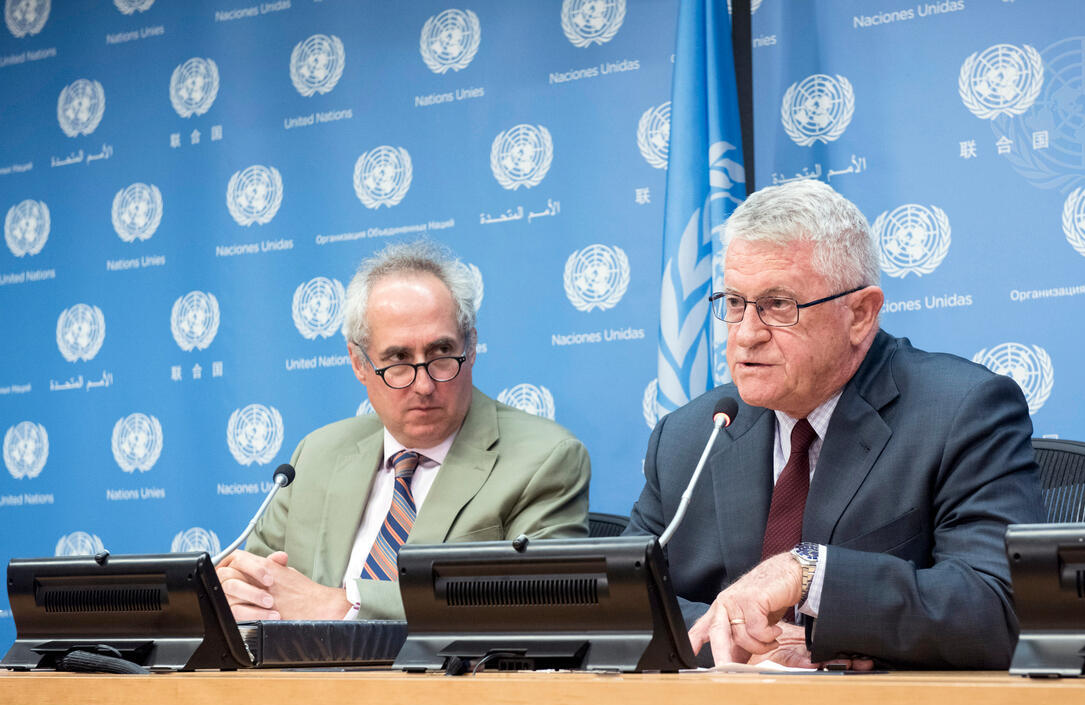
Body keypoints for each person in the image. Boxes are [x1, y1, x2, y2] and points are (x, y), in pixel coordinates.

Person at [626, 180, 1043, 670]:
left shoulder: (961, 412)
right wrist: (741, 638)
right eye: (735, 303)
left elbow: (997, 606)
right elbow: (623, 601)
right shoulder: (690, 435)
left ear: (860, 314)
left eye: (778, 305)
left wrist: (809, 574)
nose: (746, 335)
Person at [218, 241, 591, 621]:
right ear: (358, 363)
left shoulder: (544, 459)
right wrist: (236, 593)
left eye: (441, 353)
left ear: (472, 347)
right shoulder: (316, 455)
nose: (424, 385)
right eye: (398, 359)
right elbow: (256, 588)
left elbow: (538, 601)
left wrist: (342, 606)